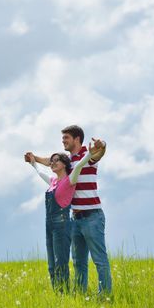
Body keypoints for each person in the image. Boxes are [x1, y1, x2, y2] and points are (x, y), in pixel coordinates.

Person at [29, 125, 112, 295]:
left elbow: (99, 153)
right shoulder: (67, 159)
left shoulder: (86, 155)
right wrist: (33, 158)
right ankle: (81, 295)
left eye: (66, 138)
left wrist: (102, 144)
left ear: (77, 139)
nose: (63, 141)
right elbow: (49, 161)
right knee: (78, 262)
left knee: (99, 260)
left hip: (92, 216)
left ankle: (105, 295)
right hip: (74, 218)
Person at [24, 144, 97, 293]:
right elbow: (40, 173)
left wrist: (89, 155)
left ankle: (65, 294)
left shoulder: (70, 179)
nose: (53, 163)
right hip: (49, 225)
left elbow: (79, 166)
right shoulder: (53, 182)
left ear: (64, 163)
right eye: (51, 161)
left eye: (56, 160)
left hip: (62, 225)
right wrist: (33, 163)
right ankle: (58, 294)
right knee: (51, 265)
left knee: (60, 263)